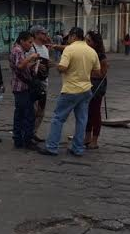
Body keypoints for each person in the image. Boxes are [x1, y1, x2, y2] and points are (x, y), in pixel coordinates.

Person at [39, 27, 100, 157]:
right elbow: (97, 71)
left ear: (73, 36)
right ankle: (77, 148)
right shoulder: (91, 51)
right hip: (86, 89)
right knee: (82, 120)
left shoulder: (69, 49)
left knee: (58, 118)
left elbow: (63, 68)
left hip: (70, 89)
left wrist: (55, 65)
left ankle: (52, 147)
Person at [10, 30, 40, 149]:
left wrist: (32, 65)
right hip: (21, 87)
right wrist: (32, 57)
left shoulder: (19, 50)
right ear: (22, 41)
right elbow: (20, 65)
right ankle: (26, 139)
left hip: (22, 86)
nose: (31, 45)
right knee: (27, 114)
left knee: (20, 113)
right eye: (29, 42)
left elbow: (22, 66)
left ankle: (19, 139)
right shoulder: (17, 50)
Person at [85, 30, 109, 150]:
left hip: (96, 87)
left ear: (95, 43)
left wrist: (87, 72)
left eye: (89, 41)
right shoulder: (87, 52)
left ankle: (94, 140)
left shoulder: (101, 56)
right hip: (86, 85)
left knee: (95, 112)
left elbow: (102, 74)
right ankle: (87, 137)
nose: (86, 42)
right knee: (86, 112)